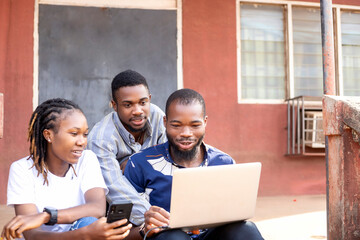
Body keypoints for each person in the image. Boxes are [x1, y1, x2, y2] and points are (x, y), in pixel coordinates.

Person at [124, 89, 263, 239]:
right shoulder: (139, 164)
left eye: (195, 125)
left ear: (205, 122)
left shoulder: (224, 163)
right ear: (165, 122)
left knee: (246, 229)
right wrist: (145, 229)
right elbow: (120, 233)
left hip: (213, 235)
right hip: (168, 237)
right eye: (176, 125)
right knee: (173, 238)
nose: (186, 133)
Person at [1, 98, 132, 240]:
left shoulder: (87, 159)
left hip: (79, 233)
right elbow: (32, 235)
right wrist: (84, 234)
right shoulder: (22, 169)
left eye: (85, 134)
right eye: (74, 134)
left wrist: (47, 216)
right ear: (48, 135)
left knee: (90, 222)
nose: (82, 142)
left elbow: (97, 208)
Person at [87, 70, 166, 226]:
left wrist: (136, 163)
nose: (137, 111)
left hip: (159, 199)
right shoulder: (100, 138)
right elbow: (115, 189)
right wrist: (155, 218)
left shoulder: (157, 116)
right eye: (128, 105)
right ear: (114, 105)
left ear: (149, 99)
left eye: (143, 102)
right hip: (124, 214)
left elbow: (172, 160)